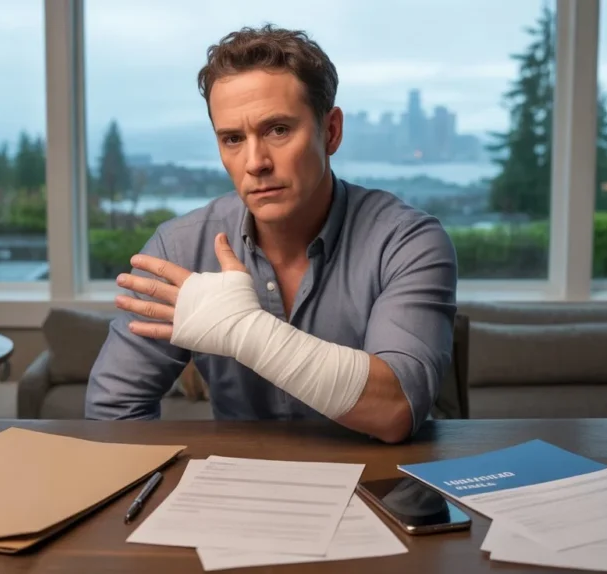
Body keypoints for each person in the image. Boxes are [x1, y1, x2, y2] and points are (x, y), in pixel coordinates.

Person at [85, 24, 457, 443]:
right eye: (232, 139)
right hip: (234, 492)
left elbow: (396, 409)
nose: (255, 162)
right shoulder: (181, 247)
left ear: (330, 131)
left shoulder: (407, 242)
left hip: (381, 491)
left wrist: (245, 330)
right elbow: (113, 411)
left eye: (278, 130)